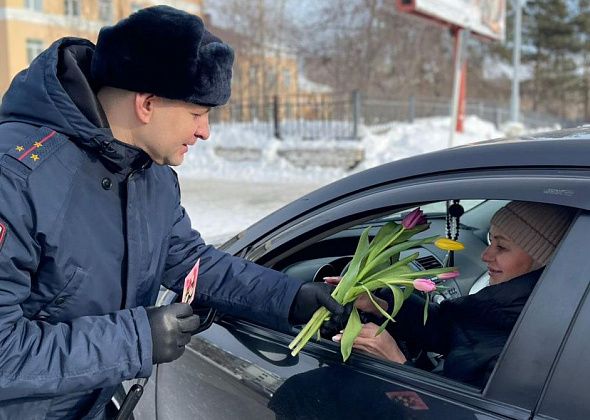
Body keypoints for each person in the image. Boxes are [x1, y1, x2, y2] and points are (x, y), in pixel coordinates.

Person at [0, 6, 342, 419]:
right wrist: (138, 338)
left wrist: (291, 298)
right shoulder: (16, 177)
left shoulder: (149, 173)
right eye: (198, 113)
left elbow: (190, 262)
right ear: (147, 103)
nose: (204, 132)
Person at [333, 201, 575, 388]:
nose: (485, 255)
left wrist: (396, 362)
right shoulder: (510, 305)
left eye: (501, 247)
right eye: (491, 239)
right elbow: (451, 329)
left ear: (544, 260)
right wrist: (381, 303)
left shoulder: (532, 337)